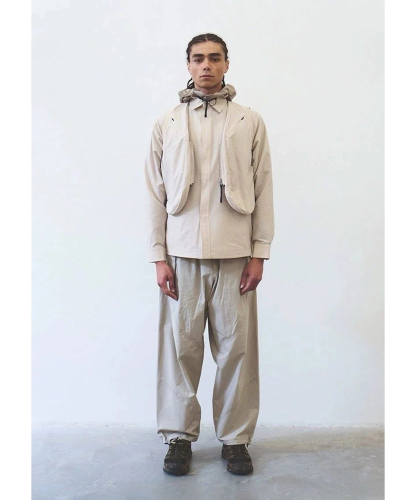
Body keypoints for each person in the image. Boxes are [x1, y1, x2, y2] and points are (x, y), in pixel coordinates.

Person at [144, 33, 274, 476]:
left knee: (237, 351)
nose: (206, 66)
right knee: (180, 351)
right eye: (198, 58)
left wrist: (259, 252)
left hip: (235, 252)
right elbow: (154, 193)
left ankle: (235, 440)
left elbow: (263, 186)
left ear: (226, 64)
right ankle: (178, 437)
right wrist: (158, 256)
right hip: (181, 254)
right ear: (188, 64)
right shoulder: (167, 123)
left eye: (214, 58)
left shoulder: (248, 121)